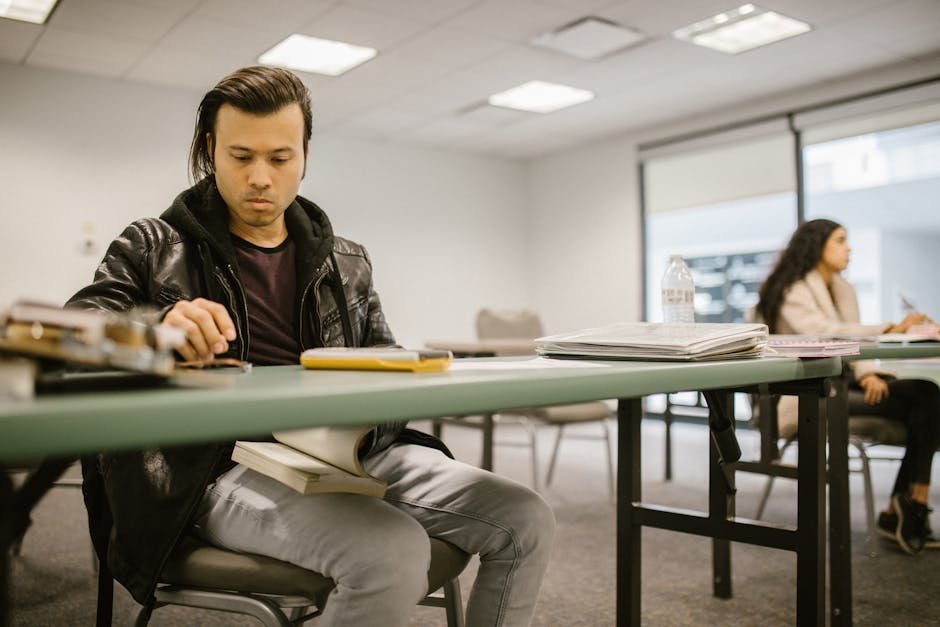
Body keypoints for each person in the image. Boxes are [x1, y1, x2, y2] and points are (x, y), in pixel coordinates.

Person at [67, 66, 555, 626]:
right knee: (390, 553)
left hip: (345, 456)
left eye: (279, 159)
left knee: (525, 517)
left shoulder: (345, 260)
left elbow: (387, 371)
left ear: (304, 154)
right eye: (240, 156)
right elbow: (79, 333)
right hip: (209, 467)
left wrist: (362, 423)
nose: (259, 177)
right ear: (209, 150)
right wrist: (156, 330)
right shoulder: (152, 244)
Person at [755, 218, 939, 555]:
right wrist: (892, 328)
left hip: (844, 382)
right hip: (806, 391)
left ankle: (906, 506)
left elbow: (851, 344)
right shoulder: (791, 289)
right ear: (817, 245)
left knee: (927, 396)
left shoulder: (843, 288)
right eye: (840, 240)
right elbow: (825, 333)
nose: (848, 247)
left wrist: (868, 373)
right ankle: (906, 510)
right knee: (927, 405)